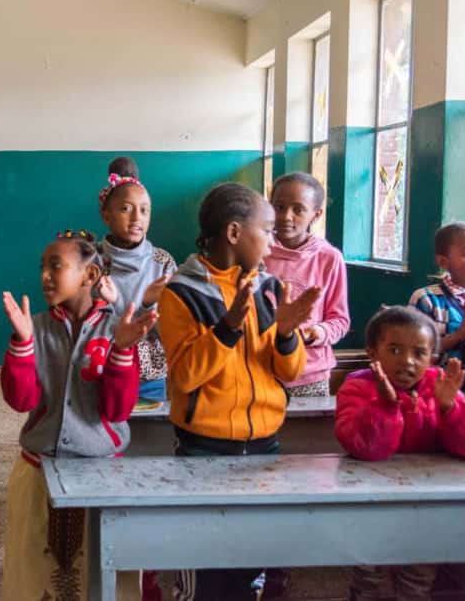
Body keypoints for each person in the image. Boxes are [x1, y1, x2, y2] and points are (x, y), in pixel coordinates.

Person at [158, 182, 319, 601]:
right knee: (204, 563)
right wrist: (227, 327)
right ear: (233, 233)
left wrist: (285, 333)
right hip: (204, 450)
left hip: (264, 447)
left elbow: (291, 368)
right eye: (265, 230)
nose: (273, 240)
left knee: (249, 564)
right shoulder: (182, 293)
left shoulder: (267, 289)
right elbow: (186, 376)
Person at [0, 230, 154, 600]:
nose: (45, 276)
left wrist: (122, 352)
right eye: (42, 267)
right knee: (34, 571)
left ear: (90, 276)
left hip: (103, 472)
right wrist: (21, 344)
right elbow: (21, 401)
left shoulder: (118, 329)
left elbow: (117, 410)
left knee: (100, 572)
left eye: (56, 266)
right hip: (39, 470)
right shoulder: (34, 326)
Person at [335, 306, 465, 601]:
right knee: (373, 582)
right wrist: (386, 406)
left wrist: (451, 409)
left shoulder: (440, 386)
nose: (407, 362)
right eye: (395, 350)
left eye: (419, 353)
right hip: (373, 504)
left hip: (428, 504)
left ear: (432, 358)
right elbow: (367, 449)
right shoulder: (358, 387)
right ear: (373, 353)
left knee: (418, 580)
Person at [96, 160, 176, 405]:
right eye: (125, 209)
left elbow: (172, 327)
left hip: (149, 376)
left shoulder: (161, 262)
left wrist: (149, 303)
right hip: (102, 368)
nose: (136, 218)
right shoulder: (92, 261)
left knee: (151, 437)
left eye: (144, 210)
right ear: (106, 214)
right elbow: (87, 325)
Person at [263, 173, 349, 398]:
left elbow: (340, 319)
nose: (285, 216)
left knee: (305, 433)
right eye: (278, 207)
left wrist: (316, 332)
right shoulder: (256, 251)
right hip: (260, 370)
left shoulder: (329, 258)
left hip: (309, 373)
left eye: (298, 209)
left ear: (316, 214)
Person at [409, 222, 465, 390]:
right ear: (443, 261)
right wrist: (457, 336)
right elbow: (412, 354)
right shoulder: (427, 299)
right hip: (436, 397)